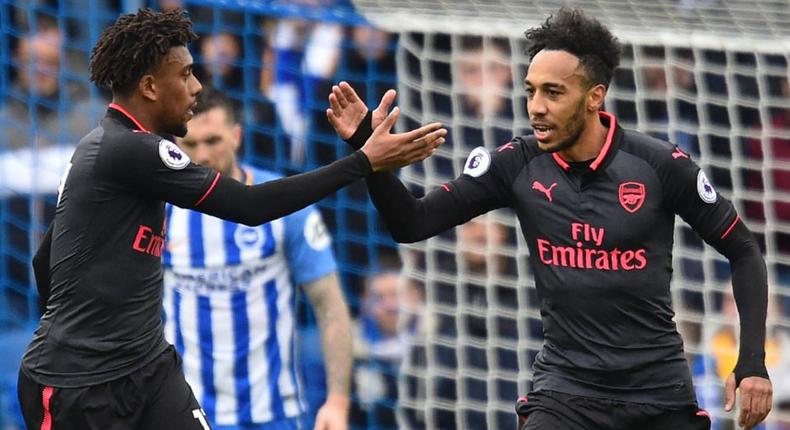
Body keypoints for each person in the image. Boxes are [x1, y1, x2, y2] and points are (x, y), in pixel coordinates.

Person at [325, 7, 772, 430]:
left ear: (596, 96)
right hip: (565, 392)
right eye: (530, 90)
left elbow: (743, 249)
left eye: (553, 92)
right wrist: (372, 158)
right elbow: (412, 224)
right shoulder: (515, 164)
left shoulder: (659, 165)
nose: (536, 106)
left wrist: (751, 360)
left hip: (658, 393)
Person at [17, 8, 444, 429]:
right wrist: (363, 161)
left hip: (148, 367)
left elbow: (45, 260)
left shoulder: (105, 149)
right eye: (184, 75)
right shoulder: (129, 149)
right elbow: (249, 207)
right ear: (149, 86)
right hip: (80, 383)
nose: (197, 86)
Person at [162, 88, 351, 430]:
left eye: (213, 141)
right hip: (187, 414)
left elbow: (330, 305)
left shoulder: (284, 205)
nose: (202, 155)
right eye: (190, 145)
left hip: (273, 413)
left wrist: (338, 400)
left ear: (236, 136)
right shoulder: (159, 211)